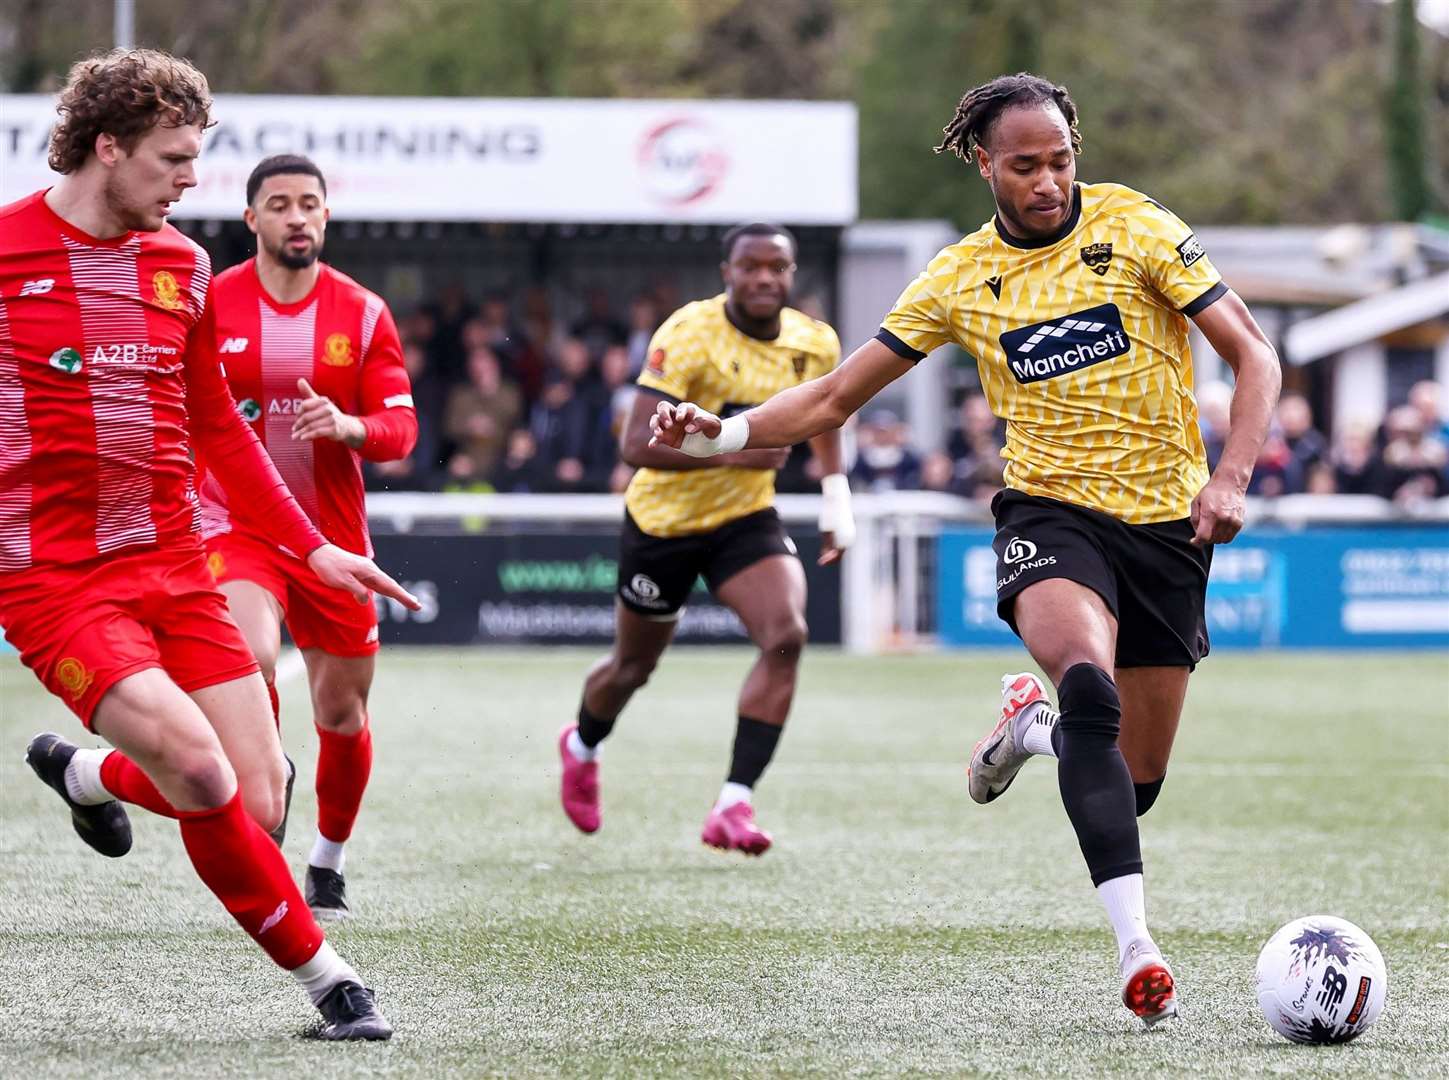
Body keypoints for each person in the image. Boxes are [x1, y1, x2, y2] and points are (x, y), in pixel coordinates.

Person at [648, 75, 1280, 1022]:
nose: (1048, 182)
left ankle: (1028, 732)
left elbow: (1254, 356)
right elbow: (829, 400)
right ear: (983, 164)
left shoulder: (1137, 228)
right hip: (1049, 517)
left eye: (1061, 160)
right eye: (1024, 166)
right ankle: (1135, 947)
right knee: (1089, 685)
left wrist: (1229, 476)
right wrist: (725, 434)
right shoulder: (956, 277)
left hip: (1166, 533)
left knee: (1129, 783)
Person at [2, 49, 419, 1038]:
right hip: (55, 581)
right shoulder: (6, 254)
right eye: (174, 158)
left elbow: (217, 430)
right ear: (108, 147)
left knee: (262, 792)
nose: (192, 180)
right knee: (198, 767)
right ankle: (333, 986)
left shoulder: (182, 266)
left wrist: (314, 549)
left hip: (178, 562)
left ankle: (88, 774)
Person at [558, 223, 856, 855]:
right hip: (663, 524)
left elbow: (826, 414)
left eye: (777, 267)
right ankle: (581, 744)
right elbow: (635, 444)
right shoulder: (688, 333)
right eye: (750, 267)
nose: (764, 278)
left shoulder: (814, 342)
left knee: (787, 636)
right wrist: (731, 456)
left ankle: (733, 803)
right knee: (633, 667)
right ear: (727, 271)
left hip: (743, 521)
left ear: (792, 273)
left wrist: (836, 497)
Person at [196, 153, 418, 922]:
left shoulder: (361, 313)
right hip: (237, 525)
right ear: (250, 218)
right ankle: (267, 767)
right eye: (280, 204)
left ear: (326, 217)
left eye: (309, 204)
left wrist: (351, 425)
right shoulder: (209, 302)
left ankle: (328, 860)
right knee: (248, 651)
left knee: (342, 715)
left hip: (333, 538)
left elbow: (401, 430)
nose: (297, 217)